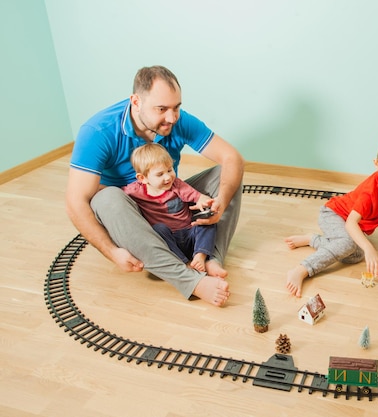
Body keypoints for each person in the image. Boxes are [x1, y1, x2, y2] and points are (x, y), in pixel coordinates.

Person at [66, 65, 244, 307]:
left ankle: (210, 258)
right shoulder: (98, 131)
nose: (171, 118)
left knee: (228, 174)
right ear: (136, 102)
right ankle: (190, 280)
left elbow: (231, 157)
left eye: (176, 107)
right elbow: (75, 202)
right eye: (161, 109)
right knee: (106, 197)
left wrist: (221, 202)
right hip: (130, 220)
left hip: (169, 204)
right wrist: (112, 252)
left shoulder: (177, 122)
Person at [284, 135, 378, 297]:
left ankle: (312, 239)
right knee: (349, 245)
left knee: (356, 255)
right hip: (333, 214)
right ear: (377, 164)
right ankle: (301, 269)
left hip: (354, 226)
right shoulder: (370, 191)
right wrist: (370, 248)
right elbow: (350, 223)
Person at [123, 142, 216, 273]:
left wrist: (204, 201)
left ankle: (200, 255)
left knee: (207, 223)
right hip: (168, 241)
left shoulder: (176, 185)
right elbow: (116, 197)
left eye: (169, 170)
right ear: (143, 178)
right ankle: (184, 263)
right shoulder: (134, 191)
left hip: (190, 233)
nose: (168, 177)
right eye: (160, 174)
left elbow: (198, 197)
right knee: (157, 228)